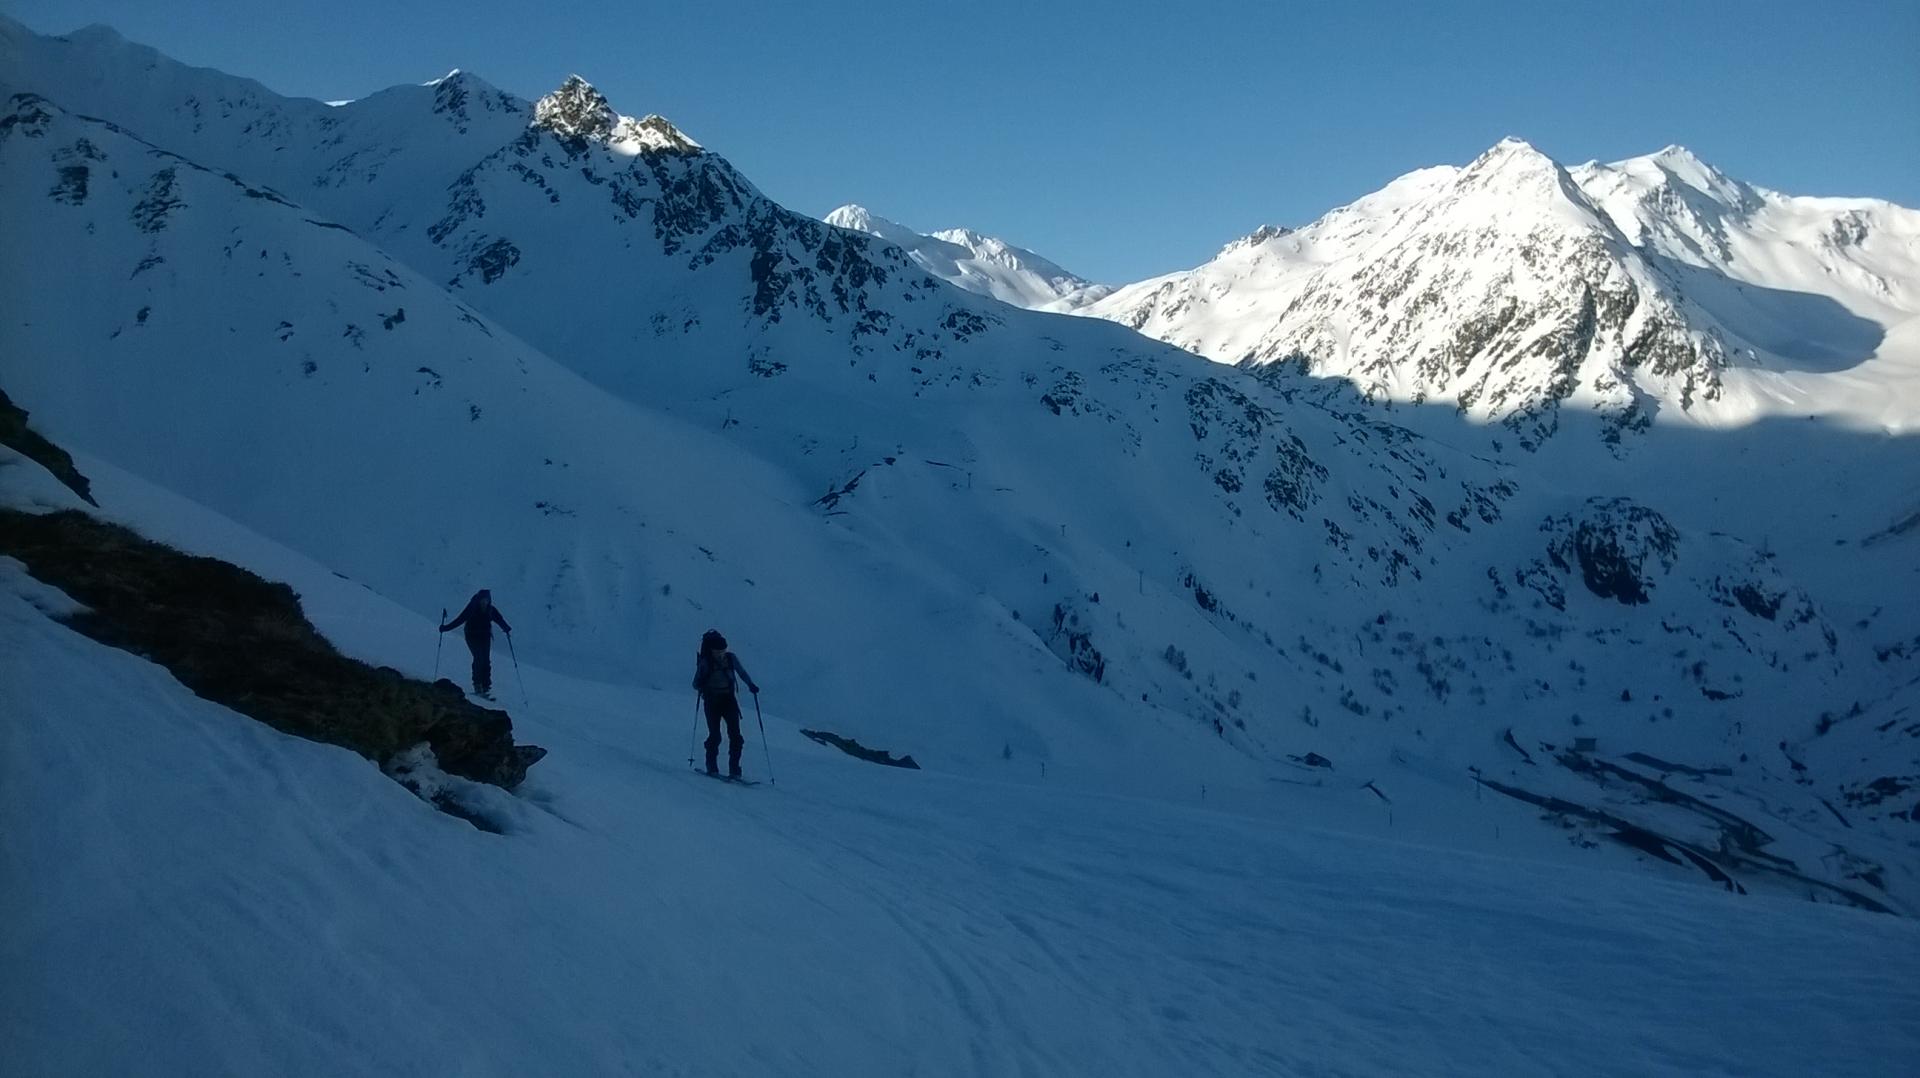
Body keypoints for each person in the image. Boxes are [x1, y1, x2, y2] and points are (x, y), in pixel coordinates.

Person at [693, 629, 759, 777]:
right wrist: (702, 684)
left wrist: (751, 685)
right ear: (712, 650)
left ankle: (734, 769)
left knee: (735, 736)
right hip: (712, 701)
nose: (721, 653)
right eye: (718, 651)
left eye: (723, 650)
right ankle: (712, 767)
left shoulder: (730, 658)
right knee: (715, 735)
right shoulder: (705, 662)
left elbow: (742, 672)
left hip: (728, 700)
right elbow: (695, 683)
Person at [441, 589, 511, 698]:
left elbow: (499, 619)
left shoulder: (490, 610)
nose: (484, 602)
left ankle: (486, 685)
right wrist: (446, 628)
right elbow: (460, 619)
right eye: (483, 600)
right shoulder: (472, 608)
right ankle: (478, 685)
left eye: (486, 600)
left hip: (485, 637)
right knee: (479, 658)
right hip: (472, 636)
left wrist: (506, 628)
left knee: (486, 660)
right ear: (479, 599)